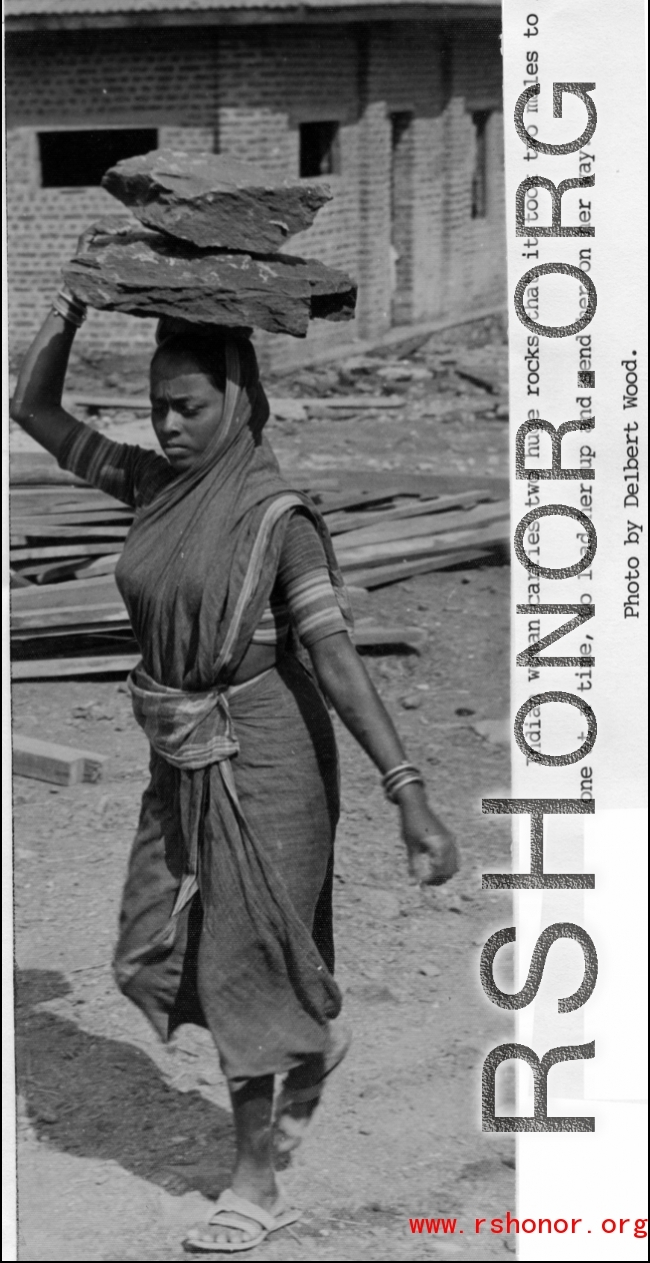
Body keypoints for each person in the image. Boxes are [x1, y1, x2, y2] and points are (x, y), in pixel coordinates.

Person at [11, 272, 458, 1255]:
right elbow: (30, 407)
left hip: (268, 757)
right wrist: (70, 305)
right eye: (155, 406)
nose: (167, 424)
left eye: (188, 405)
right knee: (143, 946)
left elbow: (335, 660)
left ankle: (256, 1181)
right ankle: (312, 1035)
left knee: (243, 959)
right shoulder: (152, 484)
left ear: (239, 398)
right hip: (179, 753)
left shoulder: (277, 519)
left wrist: (408, 793)